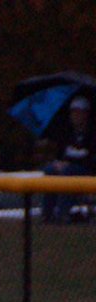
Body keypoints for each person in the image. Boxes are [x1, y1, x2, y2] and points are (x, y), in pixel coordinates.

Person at [41, 95, 96, 224]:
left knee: (68, 171)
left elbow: (91, 159)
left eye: (79, 112)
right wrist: (58, 163)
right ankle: (47, 215)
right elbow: (60, 155)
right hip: (68, 168)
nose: (75, 115)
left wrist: (70, 163)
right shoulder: (66, 133)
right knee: (49, 170)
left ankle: (63, 214)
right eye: (73, 112)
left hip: (86, 171)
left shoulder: (92, 133)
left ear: (86, 114)